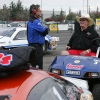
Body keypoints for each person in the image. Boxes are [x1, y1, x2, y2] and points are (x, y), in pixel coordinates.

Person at [27, 4, 48, 69]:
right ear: (34, 11)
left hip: (35, 46)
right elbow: (44, 31)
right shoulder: (35, 21)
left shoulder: (32, 20)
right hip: (36, 47)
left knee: (35, 66)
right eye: (39, 11)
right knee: (37, 67)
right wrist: (46, 27)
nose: (40, 12)